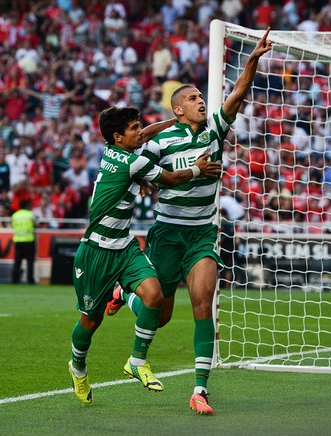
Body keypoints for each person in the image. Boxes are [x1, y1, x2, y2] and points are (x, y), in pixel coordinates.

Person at [105, 28, 273, 415]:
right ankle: (125, 296)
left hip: (202, 233)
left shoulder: (215, 129)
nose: (202, 101)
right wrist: (166, 131)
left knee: (203, 304)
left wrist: (251, 60)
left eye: (201, 96)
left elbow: (237, 95)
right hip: (166, 234)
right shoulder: (163, 143)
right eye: (194, 98)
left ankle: (200, 389)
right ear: (179, 108)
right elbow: (131, 146)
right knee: (159, 314)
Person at [68, 106, 221, 406]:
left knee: (155, 296)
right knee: (91, 320)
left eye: (139, 126)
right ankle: (77, 366)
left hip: (124, 247)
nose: (141, 131)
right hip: (96, 251)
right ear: (118, 137)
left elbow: (148, 134)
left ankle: (137, 361)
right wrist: (198, 170)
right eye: (134, 128)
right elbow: (173, 179)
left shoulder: (112, 149)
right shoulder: (132, 162)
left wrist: (172, 121)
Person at [11, 199, 36, 284]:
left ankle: (14, 279)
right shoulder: (30, 214)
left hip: (18, 240)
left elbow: (13, 225)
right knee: (30, 261)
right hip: (29, 240)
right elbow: (35, 223)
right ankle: (30, 280)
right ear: (26, 206)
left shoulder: (15, 215)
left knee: (17, 261)